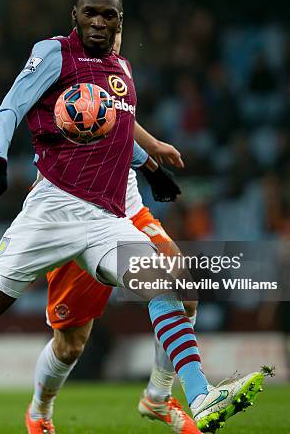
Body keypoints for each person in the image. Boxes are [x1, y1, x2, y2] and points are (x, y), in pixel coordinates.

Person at [0, 0, 264, 433]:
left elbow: (116, 130)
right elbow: (10, 108)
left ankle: (199, 395)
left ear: (119, 21)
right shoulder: (55, 53)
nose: (98, 21)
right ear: (75, 15)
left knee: (165, 280)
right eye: (90, 12)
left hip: (107, 219)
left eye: (107, 14)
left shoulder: (122, 72)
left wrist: (152, 164)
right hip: (52, 211)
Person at [25, 31, 199, 434]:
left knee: (183, 290)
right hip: (72, 213)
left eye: (115, 24)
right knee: (71, 344)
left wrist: (152, 149)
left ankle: (158, 395)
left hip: (127, 209)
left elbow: (119, 119)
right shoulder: (61, 73)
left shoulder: (120, 71)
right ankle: (39, 410)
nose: (109, 33)